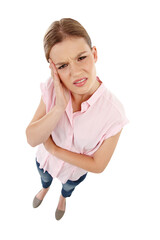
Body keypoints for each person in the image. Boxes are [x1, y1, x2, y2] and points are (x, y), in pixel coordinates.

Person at [26, 18, 129, 221]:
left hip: (72, 174)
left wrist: (54, 149)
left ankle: (63, 199)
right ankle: (44, 188)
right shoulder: (51, 89)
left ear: (94, 54)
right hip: (45, 162)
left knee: (68, 188)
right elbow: (31, 138)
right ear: (53, 69)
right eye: (63, 65)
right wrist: (58, 108)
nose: (75, 72)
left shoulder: (114, 113)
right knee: (44, 178)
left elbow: (98, 165)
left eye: (81, 58)